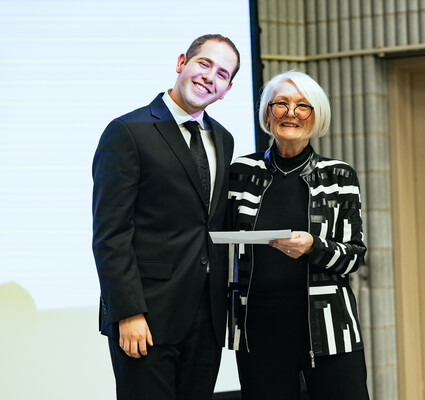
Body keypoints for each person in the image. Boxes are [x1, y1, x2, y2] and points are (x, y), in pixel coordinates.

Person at [92, 34, 240, 400]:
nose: (210, 77)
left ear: (227, 89)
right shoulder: (128, 131)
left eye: (222, 74)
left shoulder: (224, 139)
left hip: (206, 318)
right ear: (181, 63)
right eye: (204, 64)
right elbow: (111, 234)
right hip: (147, 317)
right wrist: (127, 313)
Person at [227, 70, 370, 400]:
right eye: (281, 104)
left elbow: (354, 256)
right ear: (267, 113)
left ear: (315, 116)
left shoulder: (339, 175)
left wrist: (313, 247)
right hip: (258, 329)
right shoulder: (241, 173)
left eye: (303, 106)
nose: (291, 113)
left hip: (330, 329)